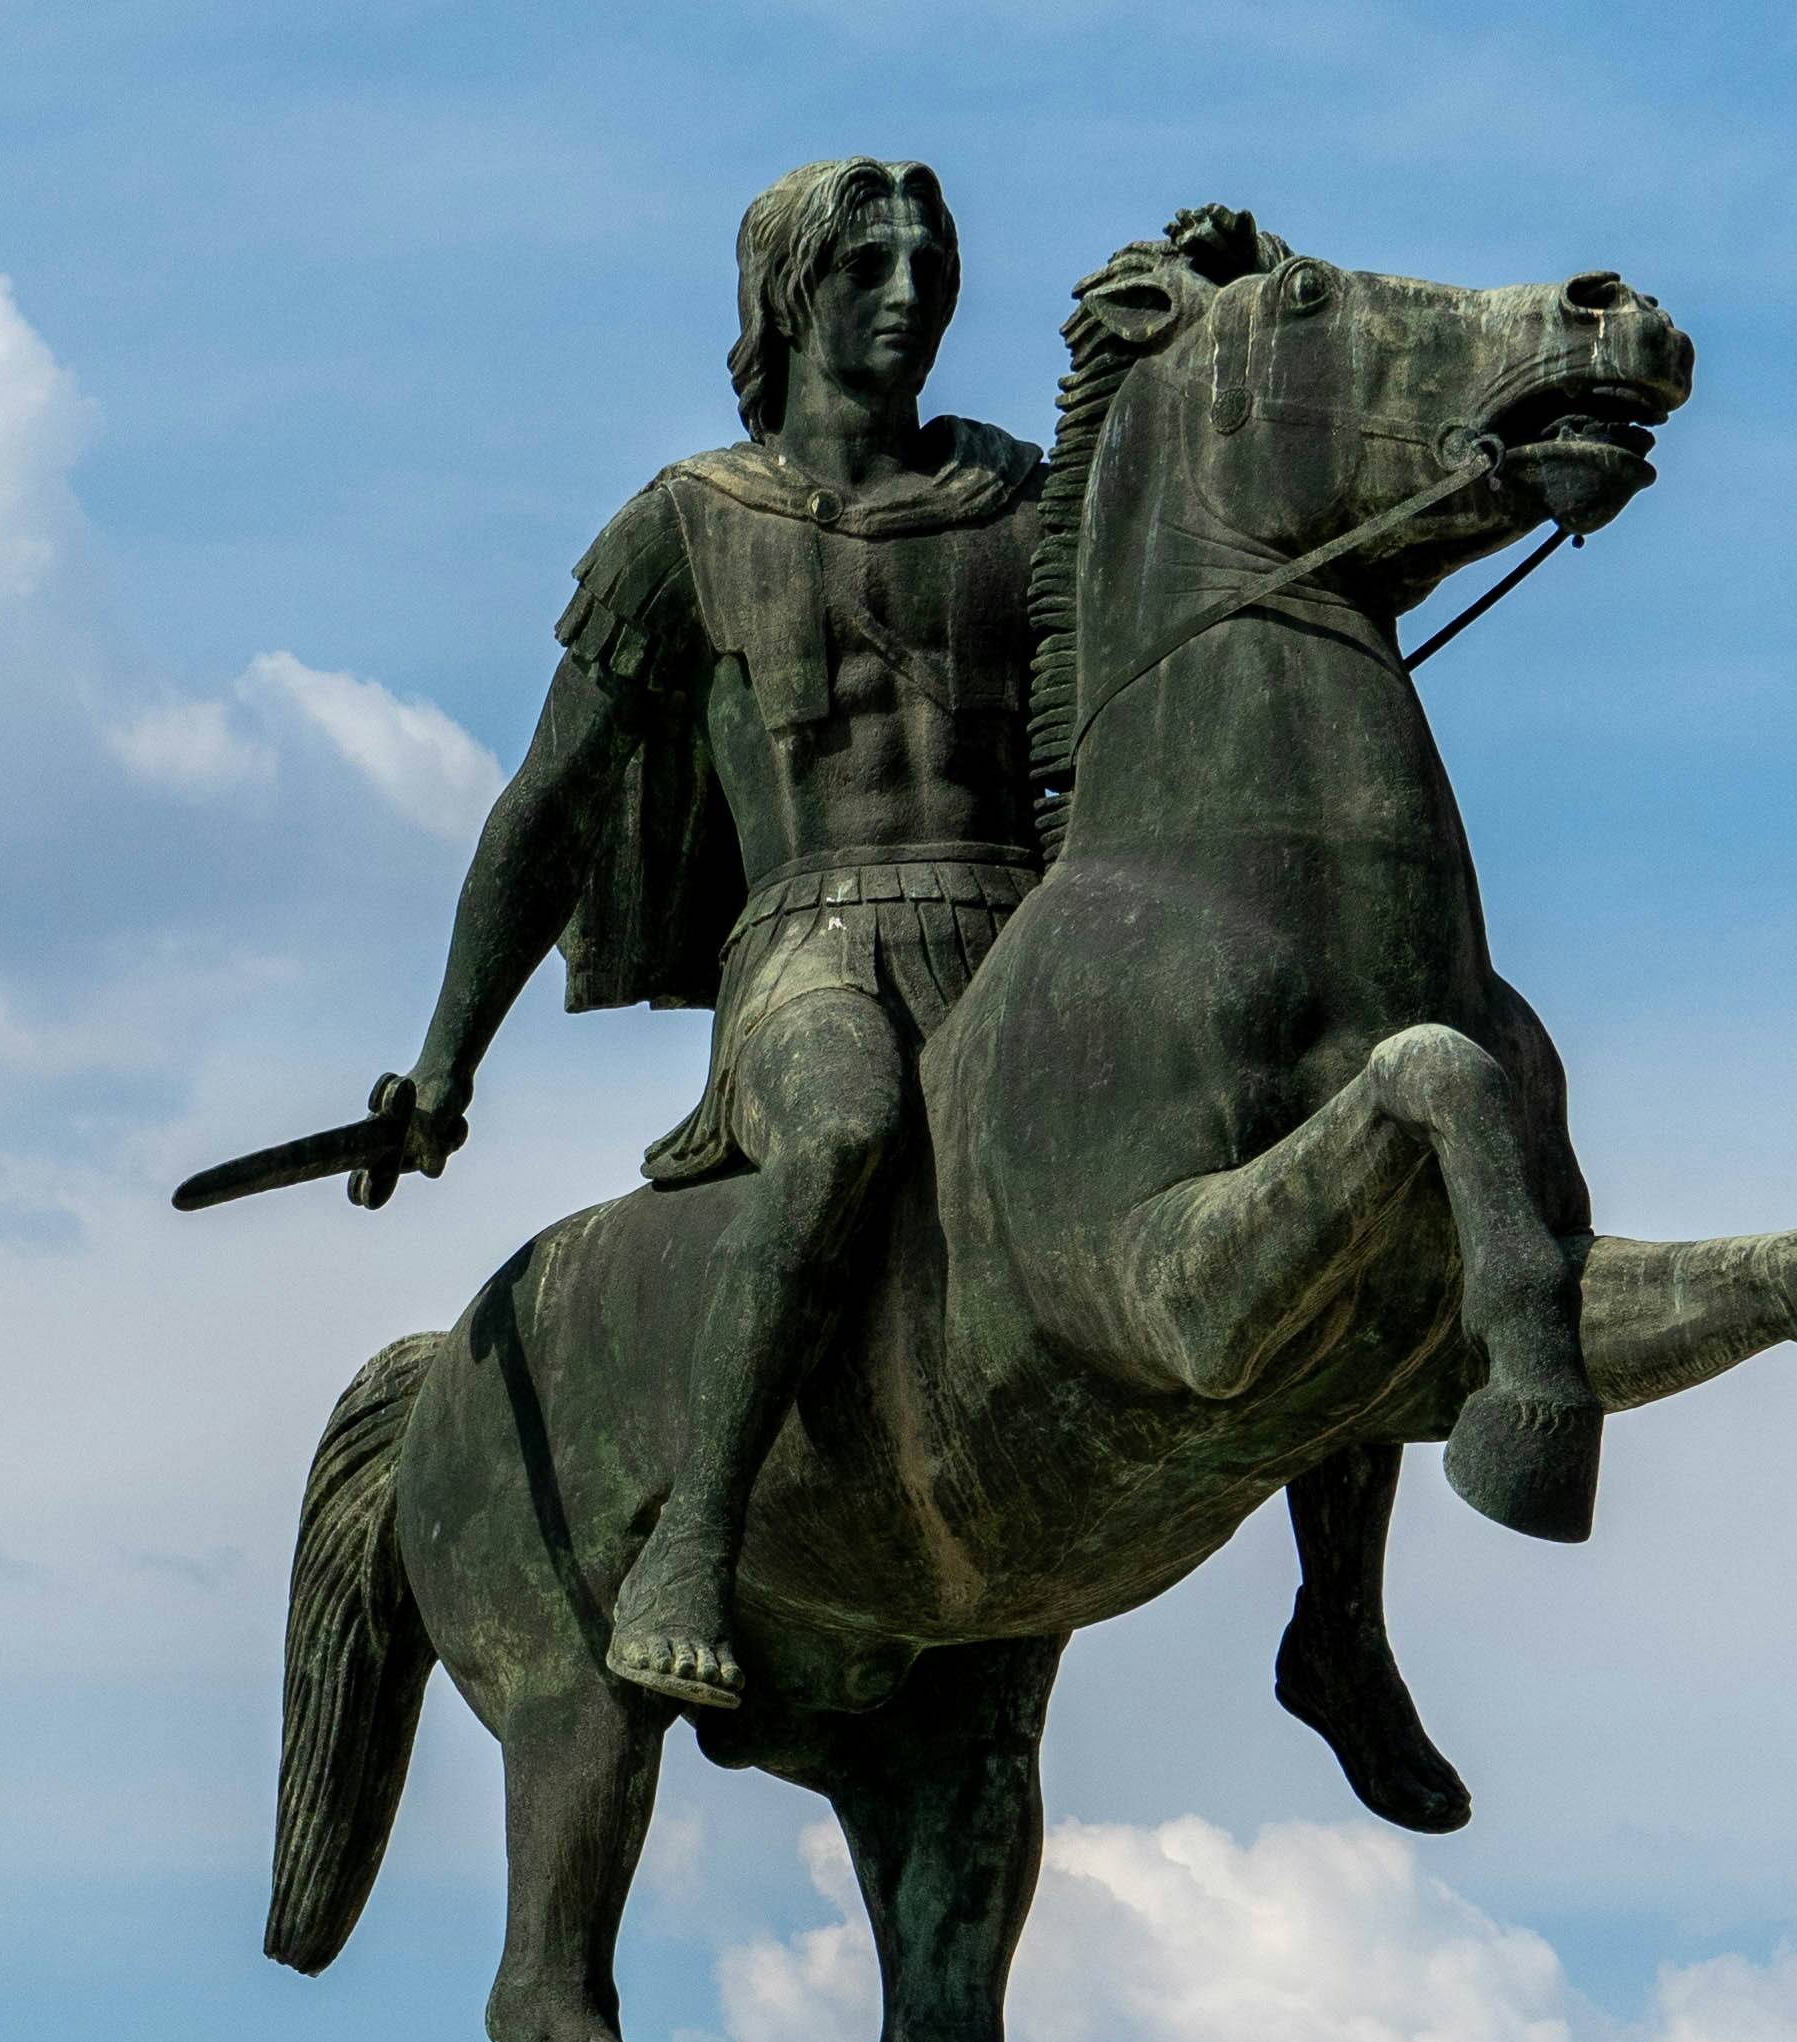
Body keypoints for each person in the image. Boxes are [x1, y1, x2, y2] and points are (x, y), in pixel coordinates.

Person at [377, 174, 1469, 1815]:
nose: (908, 291)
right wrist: (445, 1063)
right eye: (868, 264)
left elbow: (1240, 541)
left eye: (929, 264)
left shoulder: (1024, 498)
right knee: (840, 1128)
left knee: (1324, 1143)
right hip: (814, 949)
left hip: (1031, 939)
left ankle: (1342, 1620)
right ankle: (690, 1545)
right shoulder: (686, 522)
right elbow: (546, 808)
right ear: (788, 295)